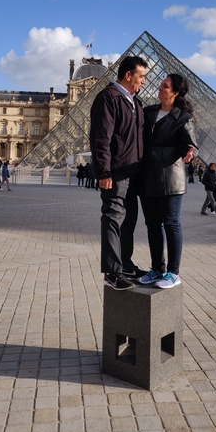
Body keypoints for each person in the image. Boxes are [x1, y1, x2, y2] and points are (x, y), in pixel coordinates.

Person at [90, 55, 147, 290]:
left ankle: (125, 264)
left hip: (133, 171)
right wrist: (104, 172)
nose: (144, 81)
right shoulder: (108, 98)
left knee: (129, 220)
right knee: (113, 217)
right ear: (128, 75)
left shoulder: (135, 101)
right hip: (116, 171)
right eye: (141, 76)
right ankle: (112, 272)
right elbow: (100, 139)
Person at [138, 74, 198, 289]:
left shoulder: (182, 117)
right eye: (161, 85)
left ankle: (173, 272)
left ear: (175, 93)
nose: (160, 88)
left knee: (171, 224)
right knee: (152, 225)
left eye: (165, 86)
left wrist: (190, 151)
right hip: (148, 175)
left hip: (170, 177)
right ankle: (157, 269)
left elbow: (190, 142)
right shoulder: (148, 112)